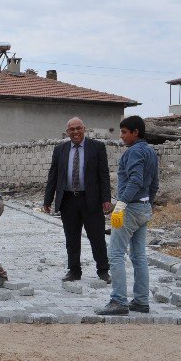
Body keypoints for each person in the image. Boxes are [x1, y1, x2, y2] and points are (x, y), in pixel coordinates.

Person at [96, 115, 159, 316]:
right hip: (143, 207)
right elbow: (154, 183)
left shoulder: (134, 152)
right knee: (139, 256)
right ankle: (141, 300)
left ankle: (118, 301)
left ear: (135, 132)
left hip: (130, 208)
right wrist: (149, 203)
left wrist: (121, 204)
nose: (121, 136)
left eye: (124, 132)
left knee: (115, 254)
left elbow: (135, 180)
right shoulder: (150, 151)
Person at [43, 117, 113, 283]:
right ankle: (74, 271)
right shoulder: (60, 149)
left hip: (91, 200)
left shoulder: (97, 147)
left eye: (78, 128)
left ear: (84, 129)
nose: (75, 132)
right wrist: (47, 200)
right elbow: (53, 176)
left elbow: (103, 175)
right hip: (68, 200)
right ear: (67, 132)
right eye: (71, 129)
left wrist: (106, 198)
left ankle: (103, 270)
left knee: (97, 237)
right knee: (71, 238)